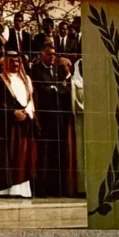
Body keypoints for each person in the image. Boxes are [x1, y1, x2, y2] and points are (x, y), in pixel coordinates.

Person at [0, 50, 38, 196]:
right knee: (8, 157)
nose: (15, 64)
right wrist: (12, 112)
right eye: (12, 61)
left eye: (17, 61)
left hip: (24, 123)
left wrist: (27, 112)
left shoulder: (26, 79)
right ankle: (5, 190)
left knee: (23, 158)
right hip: (7, 125)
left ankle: (21, 190)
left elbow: (31, 100)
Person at [32, 41, 77, 197]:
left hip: (59, 118)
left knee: (57, 152)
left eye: (54, 54)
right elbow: (43, 90)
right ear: (41, 55)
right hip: (45, 118)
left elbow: (65, 89)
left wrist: (54, 88)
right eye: (49, 54)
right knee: (44, 153)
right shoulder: (36, 70)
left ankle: (56, 188)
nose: (52, 57)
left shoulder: (58, 70)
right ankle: (41, 188)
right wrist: (56, 88)